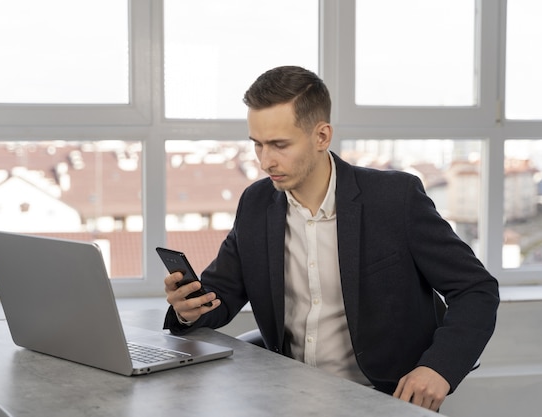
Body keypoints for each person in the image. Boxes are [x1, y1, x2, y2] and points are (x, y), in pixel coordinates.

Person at [163, 65, 499, 411]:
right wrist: (189, 309)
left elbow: (476, 290)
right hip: (286, 395)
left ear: (322, 136)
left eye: (280, 145)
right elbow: (221, 296)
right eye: (258, 145)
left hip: (380, 396)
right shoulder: (256, 203)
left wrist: (438, 369)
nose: (265, 161)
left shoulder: (394, 198)